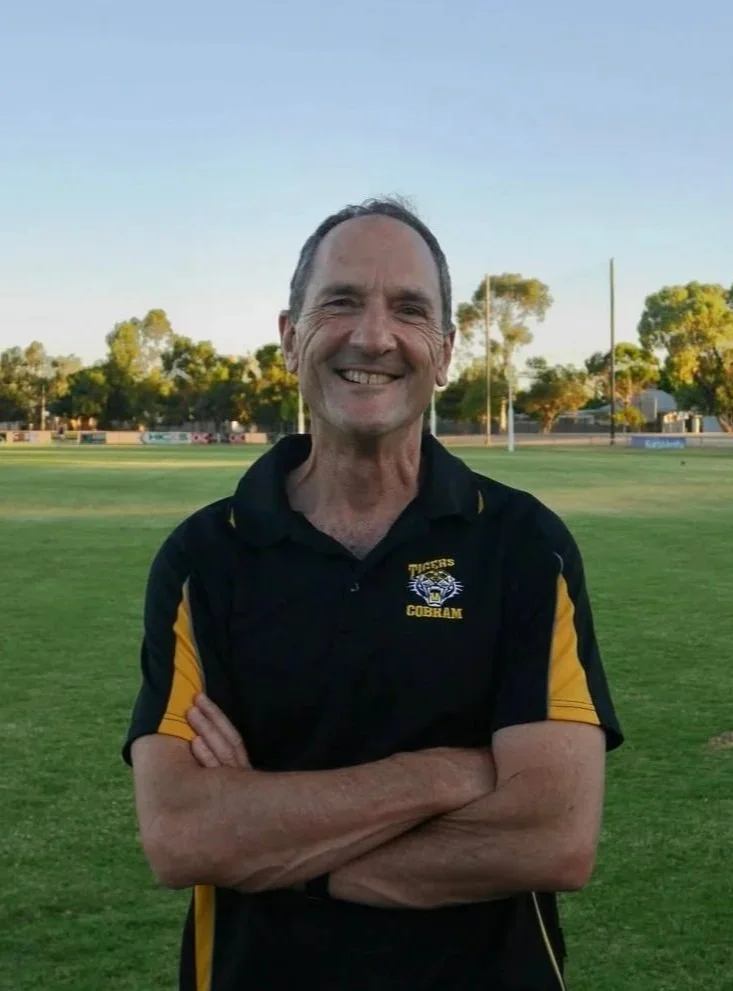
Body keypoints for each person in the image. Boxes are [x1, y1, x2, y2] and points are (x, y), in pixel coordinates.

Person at [123, 197, 623, 991]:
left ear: (446, 352)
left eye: (409, 309)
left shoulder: (524, 546)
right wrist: (447, 775)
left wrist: (277, 843)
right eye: (341, 301)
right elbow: (183, 834)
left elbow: (553, 836)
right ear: (290, 336)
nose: (373, 336)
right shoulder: (204, 558)